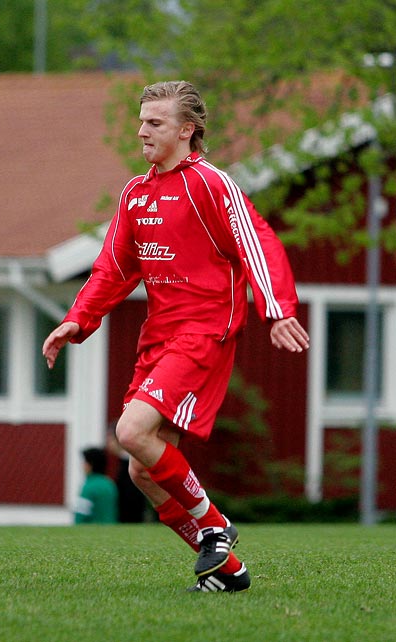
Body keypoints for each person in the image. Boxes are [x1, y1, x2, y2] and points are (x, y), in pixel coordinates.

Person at [43, 80, 310, 592]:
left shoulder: (210, 183)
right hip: (158, 337)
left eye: (155, 122)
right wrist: (78, 318)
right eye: (142, 120)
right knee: (142, 470)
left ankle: (215, 527)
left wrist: (276, 309)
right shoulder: (135, 193)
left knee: (130, 433)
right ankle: (228, 572)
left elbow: (256, 241)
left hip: (204, 331)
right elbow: (113, 269)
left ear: (187, 130)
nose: (141, 130)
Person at [74, 447, 119, 524]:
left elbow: (80, 515)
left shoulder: (89, 487)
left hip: (91, 530)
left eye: (85, 462)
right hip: (111, 529)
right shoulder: (110, 484)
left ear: (90, 465)